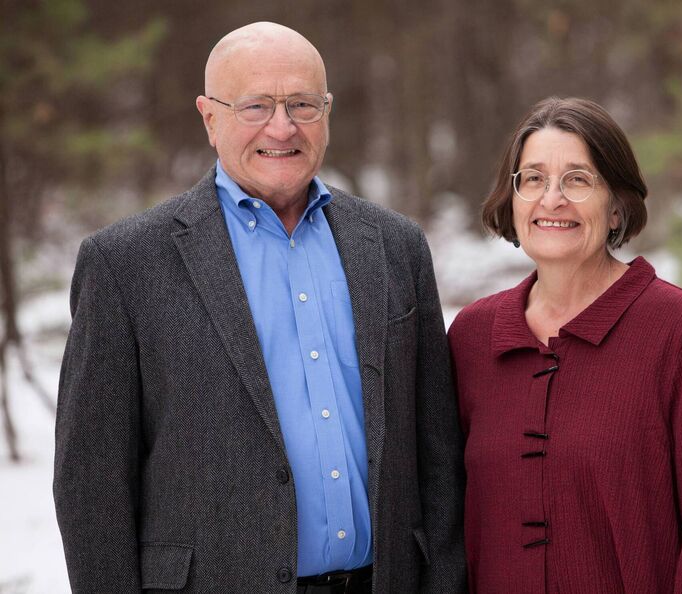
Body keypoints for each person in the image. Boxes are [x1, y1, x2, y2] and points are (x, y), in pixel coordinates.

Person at [54, 22, 466, 594]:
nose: (283, 127)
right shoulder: (125, 263)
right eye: (256, 106)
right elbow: (91, 482)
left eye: (302, 104)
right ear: (210, 117)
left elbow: (438, 450)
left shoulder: (396, 246)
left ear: (327, 111)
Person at [448, 97, 682, 593]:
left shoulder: (680, 330)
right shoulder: (473, 336)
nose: (552, 200)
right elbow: (447, 522)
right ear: (513, 199)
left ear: (616, 207)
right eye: (533, 179)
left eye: (577, 179)